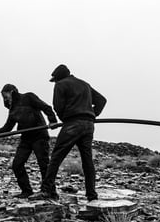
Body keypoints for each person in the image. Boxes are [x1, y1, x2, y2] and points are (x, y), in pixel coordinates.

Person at [30, 64, 106, 202]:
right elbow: (102, 100)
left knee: (56, 157)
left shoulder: (60, 84)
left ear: (58, 77)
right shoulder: (84, 84)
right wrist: (92, 115)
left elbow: (58, 106)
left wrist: (65, 118)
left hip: (72, 124)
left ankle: (47, 190)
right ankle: (92, 195)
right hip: (89, 125)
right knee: (87, 161)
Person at [0, 84, 58, 198]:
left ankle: (50, 192)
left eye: (6, 96)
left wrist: (53, 120)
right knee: (17, 165)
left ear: (12, 92)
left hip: (39, 136)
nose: (5, 99)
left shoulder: (29, 97)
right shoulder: (12, 110)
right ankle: (26, 191)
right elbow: (7, 128)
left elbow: (46, 107)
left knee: (43, 165)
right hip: (26, 138)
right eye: (3, 97)